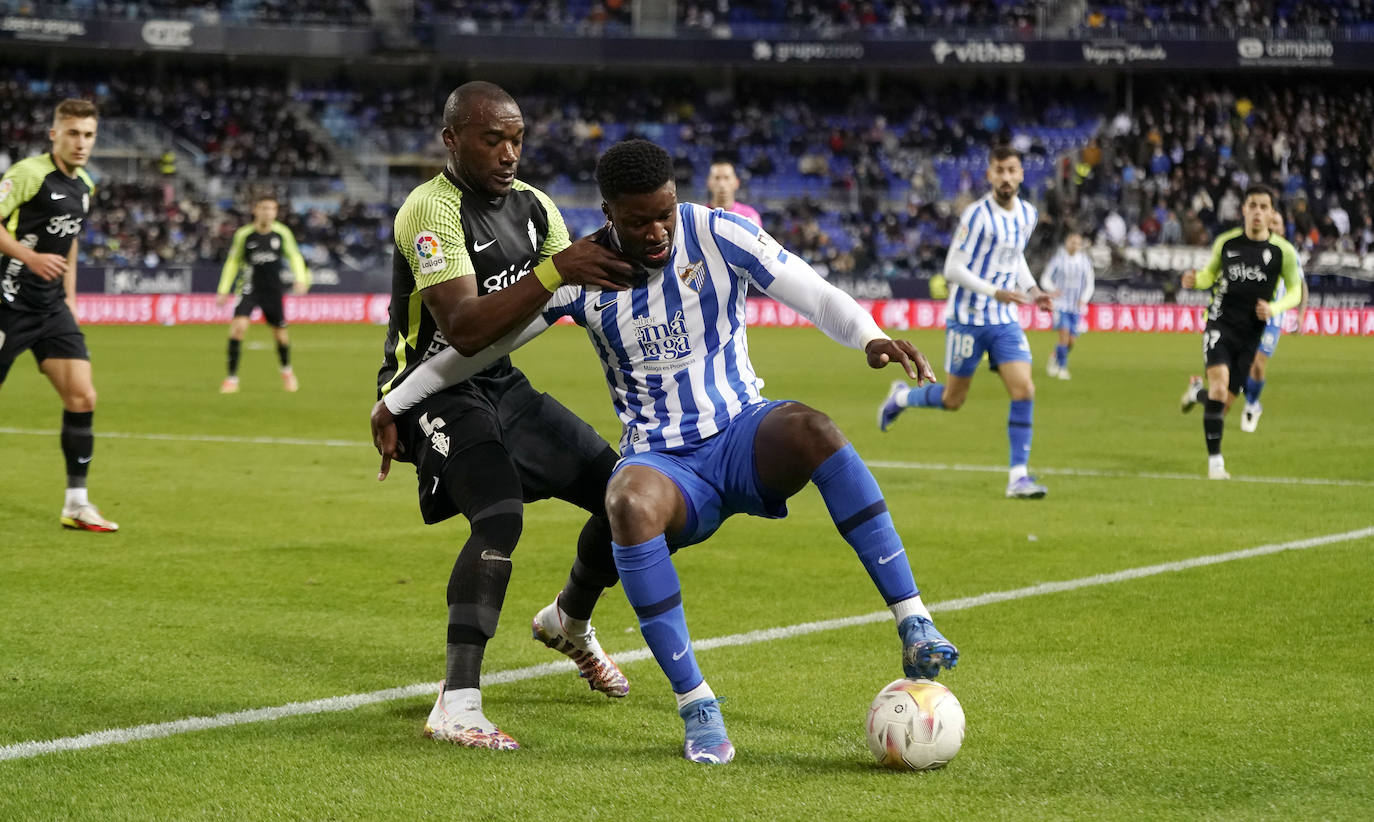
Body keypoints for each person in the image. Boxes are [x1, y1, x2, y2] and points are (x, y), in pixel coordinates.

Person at [373, 138, 958, 765]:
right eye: (637, 220)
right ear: (608, 212)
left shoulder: (716, 232)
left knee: (815, 429)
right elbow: (478, 350)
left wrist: (869, 336)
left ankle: (914, 620)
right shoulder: (582, 272)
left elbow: (811, 291)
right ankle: (698, 706)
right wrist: (397, 401)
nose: (657, 232)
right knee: (624, 499)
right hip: (664, 463)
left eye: (666, 214)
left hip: (741, 433)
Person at [369, 82, 638, 750]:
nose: (509, 152)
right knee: (500, 513)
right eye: (494, 139)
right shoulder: (430, 211)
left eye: (517, 139)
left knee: (624, 494)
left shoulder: (535, 209)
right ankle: (457, 705)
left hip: (501, 386)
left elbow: (587, 289)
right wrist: (554, 277)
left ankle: (568, 622)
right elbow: (462, 327)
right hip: (430, 394)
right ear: (452, 139)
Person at [878, 145, 1054, 499]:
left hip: (1004, 319)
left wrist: (1033, 289)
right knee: (952, 399)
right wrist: (994, 291)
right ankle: (901, 399)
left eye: (1012, 170)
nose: (1006, 177)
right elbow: (952, 269)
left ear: (1021, 174)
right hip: (968, 319)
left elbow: (1014, 254)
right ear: (989, 175)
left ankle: (1017, 477)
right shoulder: (976, 216)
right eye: (999, 170)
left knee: (1024, 389)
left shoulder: (1028, 214)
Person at [0, 98, 117, 533]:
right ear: (54, 134)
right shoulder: (28, 174)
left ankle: (77, 504)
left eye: (88, 135)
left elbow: (69, 243)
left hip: (51, 308)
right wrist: (29, 258)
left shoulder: (84, 185)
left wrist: (69, 298)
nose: (81, 142)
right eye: (72, 133)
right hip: (7, 301)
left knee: (83, 397)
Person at [1178, 184, 1303, 479]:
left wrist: (1274, 308)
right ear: (1244, 210)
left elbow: (1296, 291)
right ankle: (1216, 464)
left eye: (1264, 207)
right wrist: (1196, 280)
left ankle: (1197, 393)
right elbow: (1210, 274)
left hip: (1251, 334)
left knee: (1221, 405)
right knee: (1220, 388)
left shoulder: (1282, 252)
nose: (1258, 212)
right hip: (1220, 324)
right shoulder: (1226, 243)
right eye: (1253, 206)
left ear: (1272, 213)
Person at [215, 194, 310, 393]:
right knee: (238, 328)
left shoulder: (282, 233)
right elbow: (233, 262)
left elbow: (294, 256)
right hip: (249, 288)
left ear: (276, 212)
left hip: (273, 290)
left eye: (271, 208)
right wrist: (223, 289)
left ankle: (287, 372)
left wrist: (300, 278)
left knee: (281, 336)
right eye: (264, 208)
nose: (268, 212)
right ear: (255, 210)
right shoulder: (244, 235)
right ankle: (231, 379)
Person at [1239, 208, 1308, 433]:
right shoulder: (1252, 248)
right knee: (1244, 364)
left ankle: (1252, 404)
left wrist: (1300, 314)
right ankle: (1249, 396)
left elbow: (1301, 286)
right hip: (1247, 316)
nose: (1276, 226)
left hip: (1272, 318)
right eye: (1273, 222)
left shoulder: (1289, 253)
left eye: (1279, 223)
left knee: (1258, 366)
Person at [1039, 229, 1095, 380]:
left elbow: (1090, 283)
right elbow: (1045, 278)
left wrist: (1084, 298)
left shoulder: (1084, 261)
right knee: (1064, 336)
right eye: (1072, 242)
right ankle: (1062, 368)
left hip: (1076, 306)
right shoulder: (1058, 259)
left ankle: (1054, 357)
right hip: (1060, 305)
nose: (1075, 245)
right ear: (1067, 242)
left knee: (1071, 341)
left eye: (1077, 243)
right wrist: (1052, 290)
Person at [705, 159, 761, 227]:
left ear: (736, 183)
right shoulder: (700, 216)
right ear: (708, 183)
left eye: (727, 178)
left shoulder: (749, 216)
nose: (722, 184)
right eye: (717, 178)